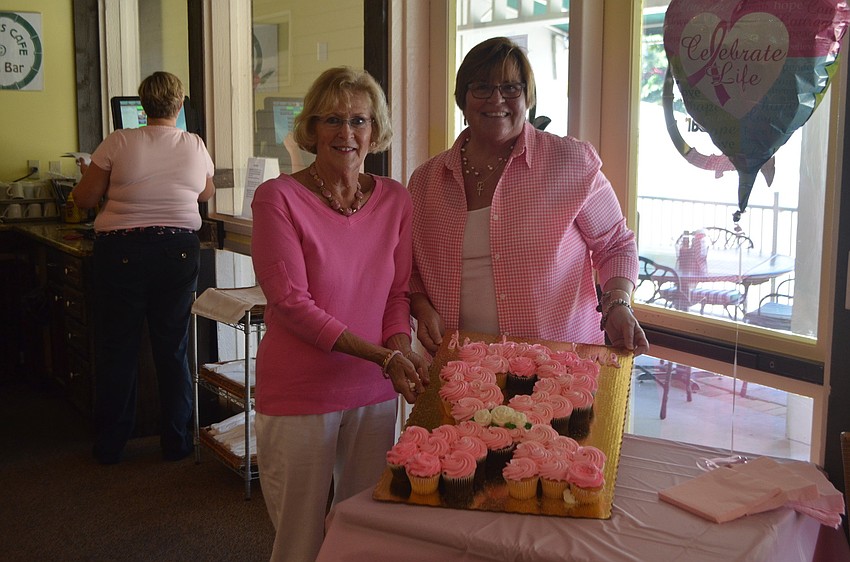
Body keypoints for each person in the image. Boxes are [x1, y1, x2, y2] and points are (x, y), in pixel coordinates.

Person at [250, 66, 430, 562]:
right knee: (299, 540)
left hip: (375, 391)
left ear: (376, 131)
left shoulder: (395, 198)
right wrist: (382, 355)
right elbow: (290, 304)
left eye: (359, 120)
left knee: (362, 534)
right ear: (310, 129)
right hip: (300, 392)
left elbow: (396, 293)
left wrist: (397, 348)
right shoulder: (278, 197)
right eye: (331, 119)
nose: (346, 133)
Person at [408, 37, 649, 356]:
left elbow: (615, 243)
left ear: (527, 97)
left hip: (556, 368)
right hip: (459, 368)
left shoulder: (570, 162)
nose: (497, 100)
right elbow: (408, 267)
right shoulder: (426, 180)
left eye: (510, 88)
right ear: (463, 99)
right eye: (481, 87)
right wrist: (421, 306)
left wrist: (618, 301)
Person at [73, 71, 215, 464]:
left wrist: (93, 175)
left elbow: (84, 199)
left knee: (118, 348)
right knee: (173, 348)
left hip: (122, 251)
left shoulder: (119, 141)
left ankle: (110, 446)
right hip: (179, 252)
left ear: (142, 103)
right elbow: (206, 191)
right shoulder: (194, 144)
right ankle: (177, 443)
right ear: (180, 102)